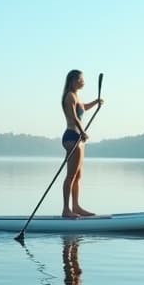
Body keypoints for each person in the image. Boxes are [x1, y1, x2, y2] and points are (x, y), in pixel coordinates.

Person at [61, 69, 104, 218]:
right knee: (71, 176)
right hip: (72, 137)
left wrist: (96, 102)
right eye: (81, 79)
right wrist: (83, 131)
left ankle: (76, 206)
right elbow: (74, 117)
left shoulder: (76, 96)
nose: (83, 81)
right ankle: (66, 210)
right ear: (73, 80)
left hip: (78, 138)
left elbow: (83, 107)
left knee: (78, 176)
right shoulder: (69, 97)